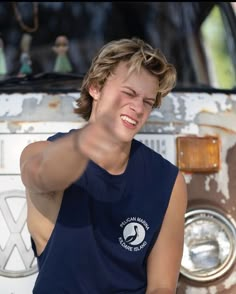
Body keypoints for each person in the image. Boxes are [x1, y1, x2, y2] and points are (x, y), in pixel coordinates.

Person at [20, 37, 187, 294]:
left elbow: (162, 287)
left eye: (147, 102)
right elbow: (40, 175)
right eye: (129, 93)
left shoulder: (168, 180)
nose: (137, 108)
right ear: (95, 87)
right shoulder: (40, 152)